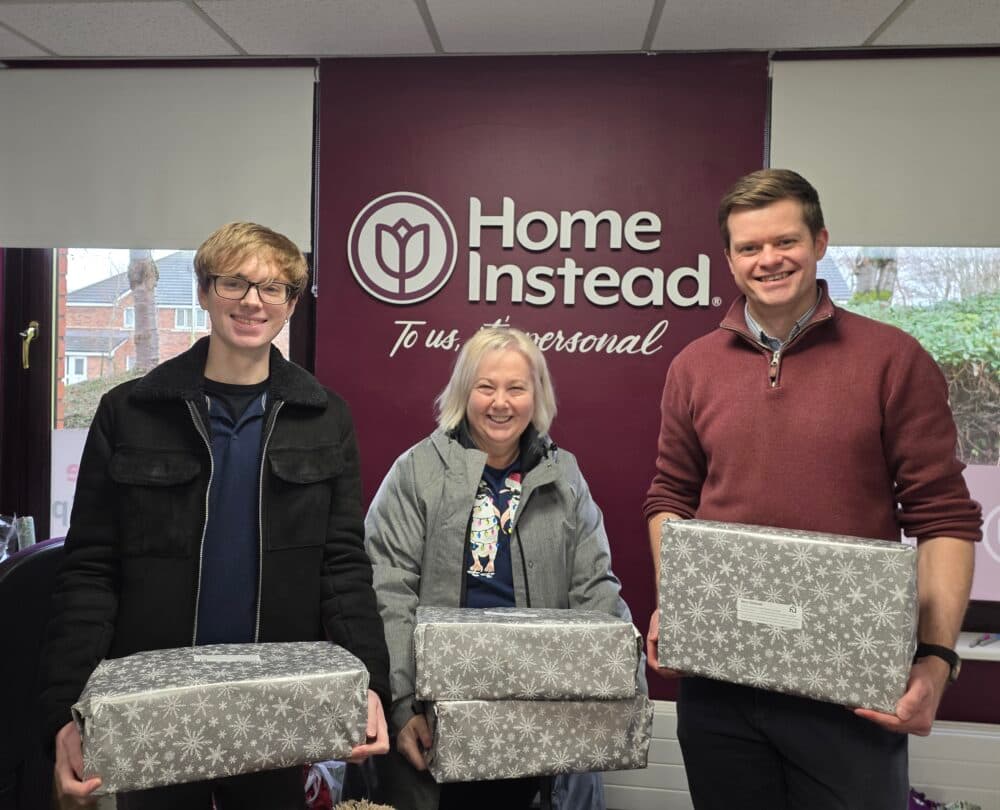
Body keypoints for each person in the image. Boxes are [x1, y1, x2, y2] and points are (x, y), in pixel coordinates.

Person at [644, 169, 982, 810]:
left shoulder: (893, 359)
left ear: (820, 241)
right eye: (749, 247)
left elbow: (944, 518)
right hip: (721, 687)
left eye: (785, 241)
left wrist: (935, 661)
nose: (768, 259)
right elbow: (670, 498)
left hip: (849, 691)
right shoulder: (693, 368)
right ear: (730, 259)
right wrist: (681, 602)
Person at [39, 223, 390, 809]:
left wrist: (372, 684)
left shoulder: (326, 419)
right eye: (235, 283)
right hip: (152, 709)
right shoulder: (129, 413)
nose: (253, 301)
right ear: (203, 292)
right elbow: (90, 574)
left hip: (276, 707)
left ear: (290, 306)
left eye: (273, 289)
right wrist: (64, 713)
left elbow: (344, 569)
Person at [365, 326, 642, 810]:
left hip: (542, 718)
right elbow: (388, 591)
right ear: (462, 392)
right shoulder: (415, 472)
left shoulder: (565, 476)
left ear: (536, 396)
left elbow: (596, 588)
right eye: (485, 386)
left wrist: (624, 681)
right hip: (439, 717)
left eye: (516, 388)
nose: (501, 403)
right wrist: (402, 704)